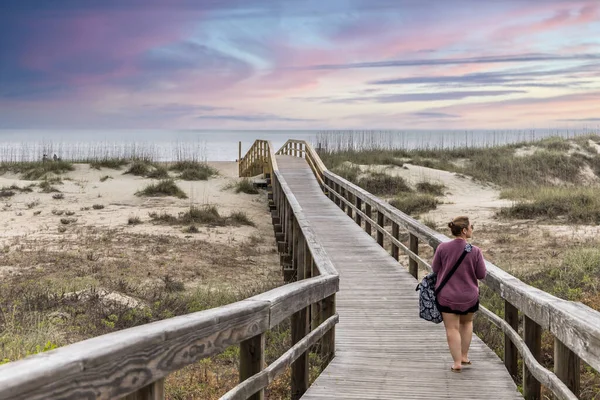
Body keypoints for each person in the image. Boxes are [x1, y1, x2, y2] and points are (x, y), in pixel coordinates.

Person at [431, 215, 486, 372]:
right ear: (464, 230)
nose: (472, 229)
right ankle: (464, 356)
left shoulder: (442, 248)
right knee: (467, 323)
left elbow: (435, 269)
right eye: (471, 227)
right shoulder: (475, 251)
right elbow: (481, 274)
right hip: (469, 296)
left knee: (452, 329)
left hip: (447, 296)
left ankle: (456, 363)